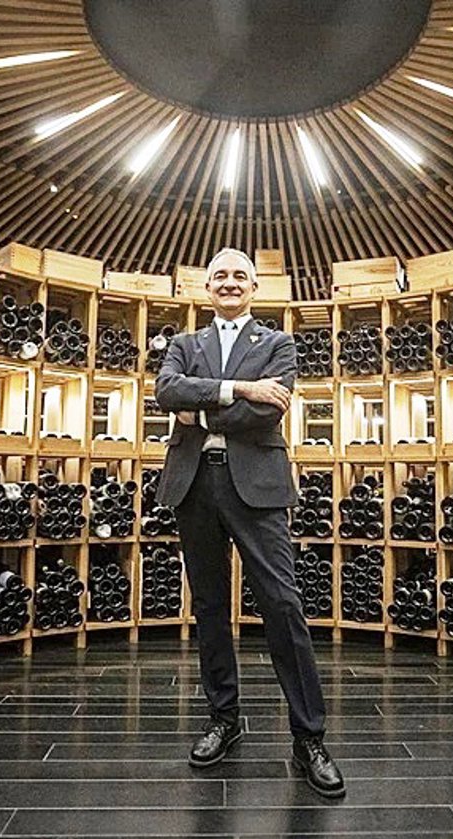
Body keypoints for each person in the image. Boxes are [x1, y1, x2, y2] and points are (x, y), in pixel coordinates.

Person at [154, 247, 345, 798]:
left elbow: (268, 410)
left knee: (282, 605)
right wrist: (239, 389)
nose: (230, 282)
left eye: (240, 275)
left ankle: (309, 737)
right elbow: (166, 391)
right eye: (220, 275)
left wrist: (199, 409)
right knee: (210, 606)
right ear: (207, 287)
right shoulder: (184, 343)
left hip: (257, 487)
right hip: (194, 485)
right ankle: (224, 718)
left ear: (254, 287)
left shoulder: (278, 343)